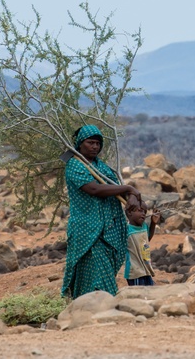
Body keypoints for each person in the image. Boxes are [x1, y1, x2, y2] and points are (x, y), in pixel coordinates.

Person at [62, 124, 140, 299]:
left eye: (98, 143)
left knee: (103, 271)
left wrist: (131, 195)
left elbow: (115, 188)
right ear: (80, 144)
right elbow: (94, 189)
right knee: (96, 271)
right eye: (90, 143)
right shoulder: (74, 165)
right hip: (88, 229)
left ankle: (91, 308)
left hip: (108, 230)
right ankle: (99, 306)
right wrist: (128, 188)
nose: (95, 147)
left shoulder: (101, 167)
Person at [124, 201, 161, 286]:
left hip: (145, 268)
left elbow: (147, 239)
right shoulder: (127, 229)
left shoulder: (144, 226)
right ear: (129, 213)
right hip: (135, 272)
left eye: (145, 211)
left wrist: (153, 223)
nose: (143, 214)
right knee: (139, 296)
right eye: (140, 211)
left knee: (149, 293)